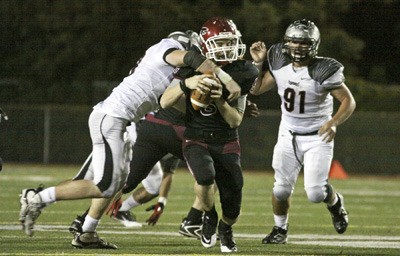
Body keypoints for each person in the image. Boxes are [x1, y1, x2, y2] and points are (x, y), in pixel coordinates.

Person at [19, 29, 242, 249]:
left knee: (115, 182)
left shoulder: (169, 71)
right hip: (111, 118)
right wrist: (226, 79)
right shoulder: (167, 49)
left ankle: (86, 232)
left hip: (121, 122)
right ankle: (36, 198)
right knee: (105, 185)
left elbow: (175, 103)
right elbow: (192, 58)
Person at [249, 19, 356, 244]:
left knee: (316, 194)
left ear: (314, 44)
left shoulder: (323, 69)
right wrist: (258, 64)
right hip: (288, 133)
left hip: (318, 136)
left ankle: (335, 204)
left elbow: (348, 100)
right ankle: (280, 230)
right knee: (280, 190)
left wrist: (334, 121)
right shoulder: (278, 61)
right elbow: (256, 89)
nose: (297, 47)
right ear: (286, 42)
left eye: (303, 43)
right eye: (293, 42)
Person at [160, 17, 258, 253]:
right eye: (220, 42)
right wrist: (188, 85)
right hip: (196, 137)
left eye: (229, 42)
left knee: (234, 198)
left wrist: (219, 100)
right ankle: (209, 216)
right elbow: (164, 102)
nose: (226, 47)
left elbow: (235, 120)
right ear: (205, 45)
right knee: (204, 177)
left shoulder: (244, 71)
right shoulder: (190, 68)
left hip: (226, 139)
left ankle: (225, 227)